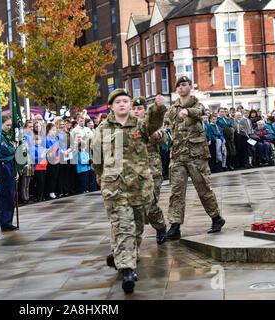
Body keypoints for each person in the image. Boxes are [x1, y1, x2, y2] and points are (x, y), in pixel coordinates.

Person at [91, 88, 166, 294]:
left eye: (126, 101)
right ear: (111, 106)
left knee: (137, 227)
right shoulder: (103, 128)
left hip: (139, 186)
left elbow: (153, 125)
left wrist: (158, 109)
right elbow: (96, 153)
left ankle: (120, 255)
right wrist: (99, 173)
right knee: (123, 225)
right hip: (115, 186)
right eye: (118, 102)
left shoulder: (139, 125)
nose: (122, 104)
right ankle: (128, 270)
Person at [166, 76, 225, 241]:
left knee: (203, 189)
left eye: (184, 85)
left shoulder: (197, 104)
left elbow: (200, 112)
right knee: (176, 192)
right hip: (178, 155)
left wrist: (188, 111)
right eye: (178, 86)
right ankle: (175, 225)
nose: (180, 88)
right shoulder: (173, 108)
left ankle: (216, 218)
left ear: (190, 87)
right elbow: (167, 122)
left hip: (196, 155)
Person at [131, 96, 167, 245]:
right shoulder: (129, 125)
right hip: (134, 170)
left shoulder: (151, 123)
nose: (136, 111)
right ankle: (131, 244)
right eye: (134, 109)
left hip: (152, 167)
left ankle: (160, 226)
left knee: (150, 203)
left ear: (145, 110)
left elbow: (165, 137)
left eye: (139, 109)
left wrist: (157, 135)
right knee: (136, 206)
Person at [0, 116, 18, 232]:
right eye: (7, 125)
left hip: (10, 164)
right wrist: (13, 148)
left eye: (10, 125)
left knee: (11, 194)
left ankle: (9, 220)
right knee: (5, 194)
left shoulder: (7, 136)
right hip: (3, 166)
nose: (9, 127)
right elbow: (7, 150)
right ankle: (5, 222)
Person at [45, 123, 60, 199]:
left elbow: (58, 149)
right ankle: (50, 191)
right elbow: (49, 149)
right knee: (50, 176)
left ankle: (53, 190)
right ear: (48, 130)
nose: (54, 132)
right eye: (53, 130)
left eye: (55, 130)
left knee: (55, 176)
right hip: (50, 160)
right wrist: (54, 157)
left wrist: (58, 157)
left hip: (57, 159)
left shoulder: (56, 138)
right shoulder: (46, 138)